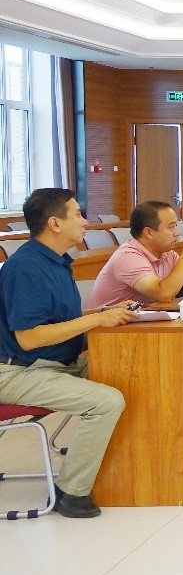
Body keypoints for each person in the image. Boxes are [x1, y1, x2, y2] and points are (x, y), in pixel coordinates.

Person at [0, 188, 133, 517]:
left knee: (132, 377)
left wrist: (101, 313)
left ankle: (129, 468)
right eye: (78, 214)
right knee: (106, 401)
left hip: (54, 363)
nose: (85, 222)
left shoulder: (57, 262)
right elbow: (29, 338)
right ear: (55, 223)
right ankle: (71, 492)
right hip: (18, 370)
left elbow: (61, 320)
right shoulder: (25, 268)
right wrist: (97, 320)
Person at [89, 200, 183, 308]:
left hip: (142, 320)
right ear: (148, 232)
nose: (177, 233)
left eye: (176, 226)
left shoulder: (166, 253)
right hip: (112, 325)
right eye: (171, 227)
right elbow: (164, 294)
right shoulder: (128, 257)